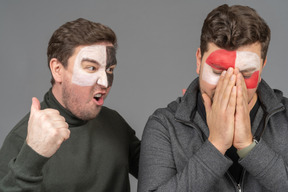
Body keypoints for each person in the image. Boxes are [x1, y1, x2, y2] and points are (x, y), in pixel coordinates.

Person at [138, 4, 288, 192]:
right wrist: (216, 146)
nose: (232, 85)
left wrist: (248, 146)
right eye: (218, 72)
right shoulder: (164, 126)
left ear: (263, 66)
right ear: (199, 61)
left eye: (247, 74)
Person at [0, 18, 140, 192]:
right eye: (91, 68)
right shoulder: (21, 139)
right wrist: (32, 156)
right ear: (58, 70)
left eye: (109, 69)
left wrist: (182, 111)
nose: (105, 82)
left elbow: (162, 170)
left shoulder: (114, 122)